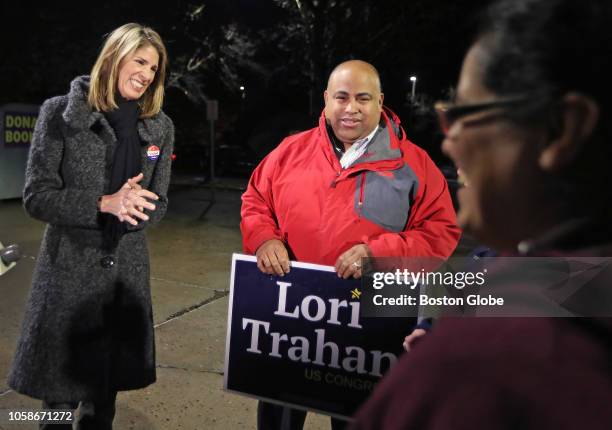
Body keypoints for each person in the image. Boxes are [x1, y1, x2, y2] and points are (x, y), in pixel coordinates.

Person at [351, 0, 612, 428]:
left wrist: (448, 354)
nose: (450, 144)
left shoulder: (482, 369)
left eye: (465, 115)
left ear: (561, 130)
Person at [241, 60, 460, 429]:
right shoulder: (289, 151)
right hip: (289, 319)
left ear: (380, 102)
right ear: (326, 100)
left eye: (363, 98)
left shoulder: (414, 164)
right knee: (279, 416)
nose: (351, 108)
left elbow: (440, 232)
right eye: (341, 97)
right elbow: (255, 201)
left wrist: (380, 254)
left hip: (366, 326)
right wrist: (264, 240)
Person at [8, 23, 174, 429]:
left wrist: (139, 206)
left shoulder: (159, 127)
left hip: (125, 276)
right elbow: (37, 196)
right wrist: (105, 203)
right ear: (115, 58)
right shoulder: (59, 113)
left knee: (103, 406)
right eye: (139, 61)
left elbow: (161, 202)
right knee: (58, 409)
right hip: (68, 273)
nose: (147, 74)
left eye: (154, 68)